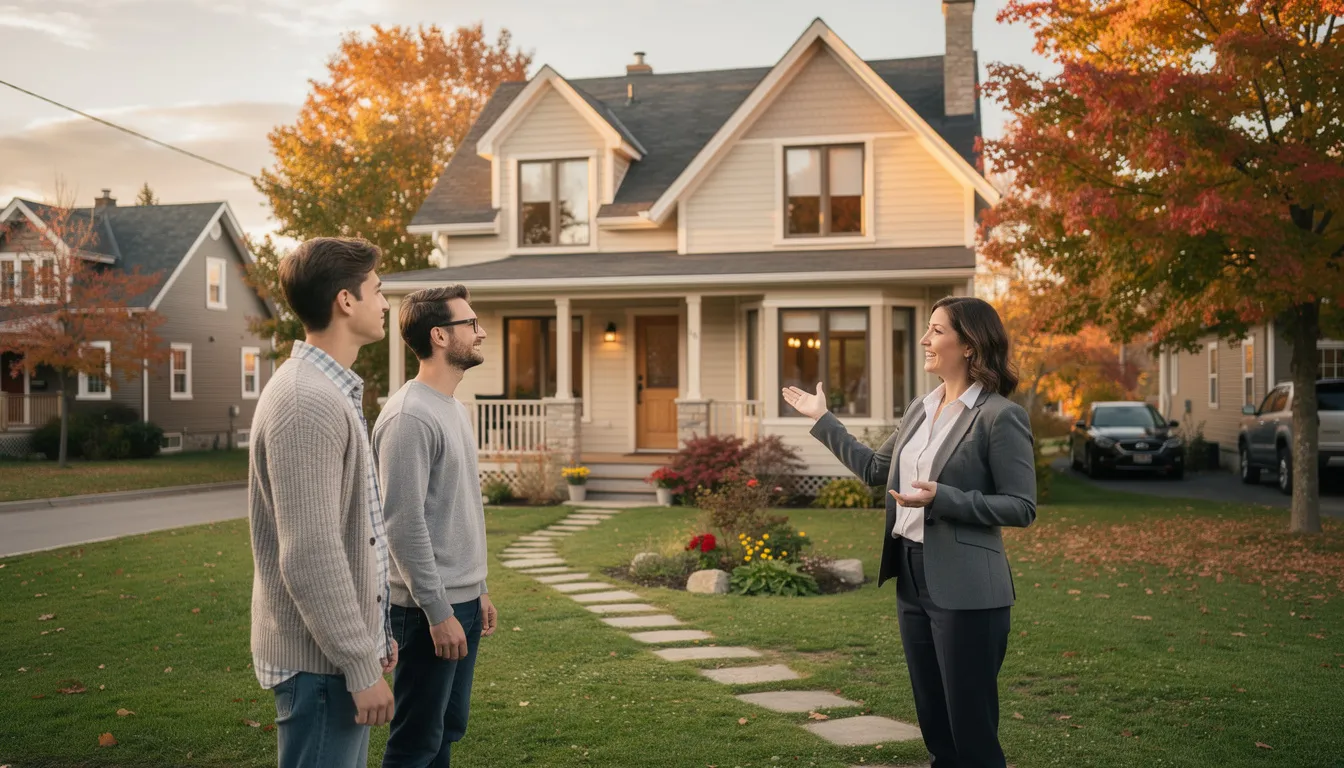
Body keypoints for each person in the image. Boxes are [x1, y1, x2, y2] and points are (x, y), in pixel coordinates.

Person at [784, 296, 1035, 768]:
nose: (925, 339)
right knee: (934, 718)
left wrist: (945, 497)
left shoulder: (999, 416)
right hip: (912, 576)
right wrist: (822, 420)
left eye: (937, 331)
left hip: (968, 589)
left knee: (971, 727)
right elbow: (877, 469)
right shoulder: (920, 407)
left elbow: (1022, 507)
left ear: (970, 346)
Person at [246, 237, 397, 768]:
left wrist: (373, 634)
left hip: (335, 659)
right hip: (322, 669)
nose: (385, 303)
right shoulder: (304, 402)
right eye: (378, 290)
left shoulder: (326, 390)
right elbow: (310, 554)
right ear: (346, 301)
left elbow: (359, 532)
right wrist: (360, 665)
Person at [374, 285, 497, 768]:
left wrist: (478, 588)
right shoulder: (409, 416)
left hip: (461, 599)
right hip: (427, 611)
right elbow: (402, 526)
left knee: (446, 729)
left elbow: (457, 510)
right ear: (440, 335)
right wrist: (438, 609)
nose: (481, 331)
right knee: (415, 742)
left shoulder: (454, 409)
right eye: (471, 324)